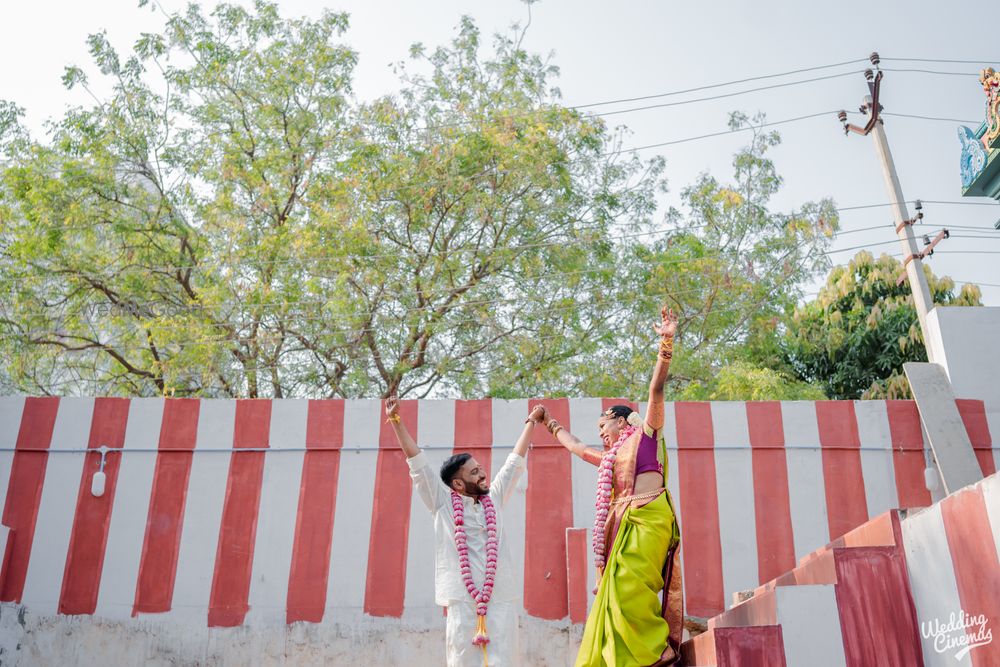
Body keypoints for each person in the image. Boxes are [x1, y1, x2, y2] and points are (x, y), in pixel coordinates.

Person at [544, 305, 683, 667]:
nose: (601, 433)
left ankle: (656, 653)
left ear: (621, 421)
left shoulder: (647, 436)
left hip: (648, 519)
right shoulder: (611, 458)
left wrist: (666, 343)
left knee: (630, 591)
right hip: (619, 528)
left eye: (603, 425)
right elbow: (578, 449)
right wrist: (550, 424)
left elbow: (655, 390)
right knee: (613, 600)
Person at [385, 396, 544, 667]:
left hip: (500, 597)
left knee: (504, 661)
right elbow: (417, 464)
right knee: (462, 661)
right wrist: (396, 421)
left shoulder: (494, 498)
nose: (482, 474)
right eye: (474, 472)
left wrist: (531, 422)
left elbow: (514, 463)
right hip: (461, 599)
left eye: (480, 468)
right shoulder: (442, 503)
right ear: (458, 484)